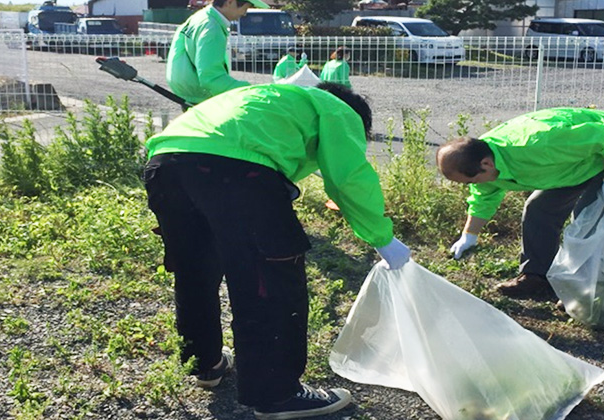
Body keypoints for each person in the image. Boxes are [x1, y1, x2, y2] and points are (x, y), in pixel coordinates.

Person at [143, 82, 411, 419]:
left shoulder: (266, 97)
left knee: (195, 270)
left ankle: (205, 363)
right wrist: (382, 237)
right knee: (269, 282)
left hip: (164, 165)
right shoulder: (335, 109)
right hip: (237, 173)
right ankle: (278, 395)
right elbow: (348, 177)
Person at [436, 107, 604, 300]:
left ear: (486, 164)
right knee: (539, 209)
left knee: (590, 220)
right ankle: (537, 278)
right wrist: (469, 235)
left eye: (471, 181)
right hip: (573, 167)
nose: (472, 186)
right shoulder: (484, 163)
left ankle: (586, 293)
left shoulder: (538, 144)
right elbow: (483, 198)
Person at [165, 0, 269, 106]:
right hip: (202, 97)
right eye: (245, 8)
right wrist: (249, 90)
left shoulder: (201, 17)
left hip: (187, 90)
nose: (244, 13)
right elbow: (211, 77)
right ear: (230, 2)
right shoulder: (212, 28)